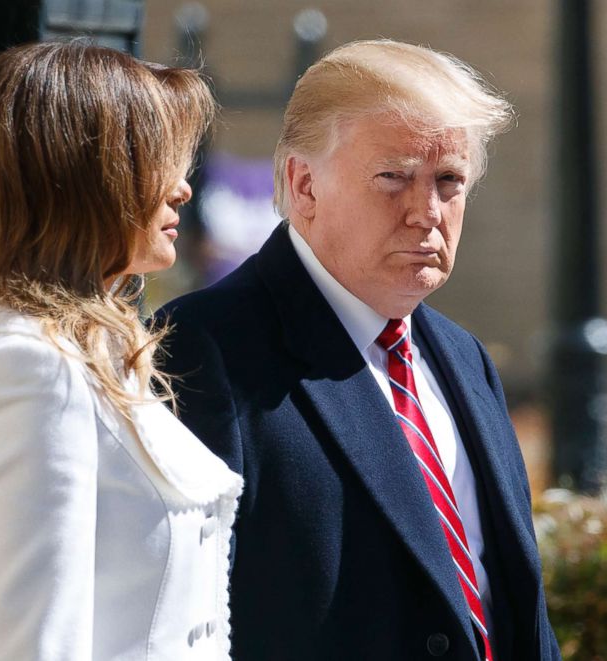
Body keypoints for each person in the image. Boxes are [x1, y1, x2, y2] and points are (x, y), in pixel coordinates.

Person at [158, 40, 561, 660]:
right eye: (392, 177)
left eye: (448, 180)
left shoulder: (463, 357)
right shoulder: (200, 348)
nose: (426, 212)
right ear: (304, 184)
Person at [0, 41, 241, 660]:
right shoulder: (31, 368)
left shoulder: (50, 351)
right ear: (83, 174)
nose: (184, 188)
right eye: (156, 157)